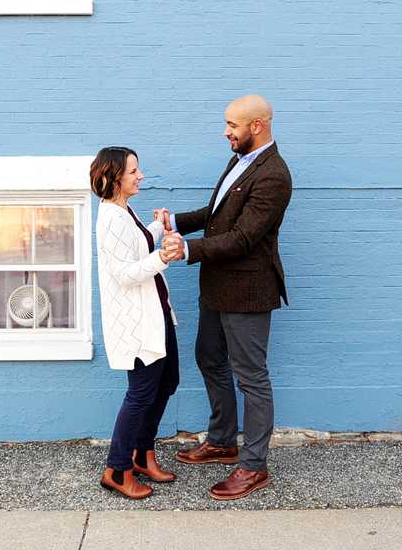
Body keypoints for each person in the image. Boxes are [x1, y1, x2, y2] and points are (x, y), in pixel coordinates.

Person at [158, 94, 292, 500]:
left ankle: (253, 467)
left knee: (252, 377)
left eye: (232, 125)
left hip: (248, 291)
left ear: (257, 126)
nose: (225, 131)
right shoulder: (242, 160)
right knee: (209, 357)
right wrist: (176, 221)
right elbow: (218, 214)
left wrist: (187, 249)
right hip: (216, 287)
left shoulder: (274, 174)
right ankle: (222, 441)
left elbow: (244, 238)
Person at [90, 147, 182, 499]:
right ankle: (117, 468)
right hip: (136, 323)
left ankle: (143, 454)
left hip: (157, 316)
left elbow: (137, 245)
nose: (140, 176)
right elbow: (125, 274)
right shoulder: (109, 218)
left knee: (166, 383)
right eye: (133, 171)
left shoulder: (124, 211)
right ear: (114, 177)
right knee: (140, 394)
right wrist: (163, 256)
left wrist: (159, 224)